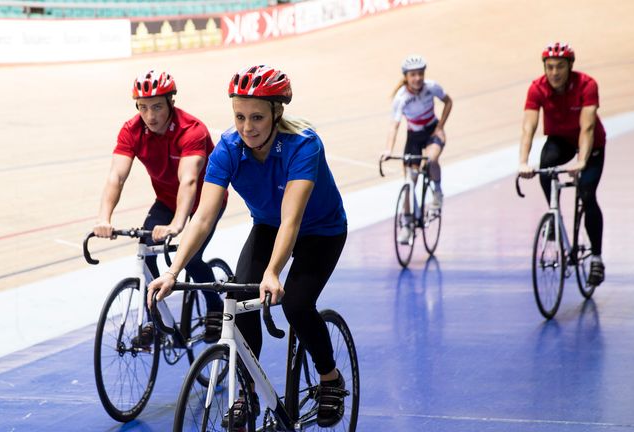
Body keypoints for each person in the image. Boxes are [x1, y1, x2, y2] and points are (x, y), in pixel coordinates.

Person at [148, 65, 348, 427]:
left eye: (257, 117)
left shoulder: (304, 145)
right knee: (240, 303)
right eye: (239, 116)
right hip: (269, 227)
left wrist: (272, 273)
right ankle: (249, 392)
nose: (247, 126)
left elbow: (293, 219)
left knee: (298, 304)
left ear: (277, 112)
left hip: (321, 230)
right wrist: (173, 271)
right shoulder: (227, 148)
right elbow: (203, 218)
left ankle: (329, 377)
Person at [93, 69, 224, 345]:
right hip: (166, 198)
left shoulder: (192, 130)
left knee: (193, 256)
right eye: (143, 107)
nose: (150, 116)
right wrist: (104, 218)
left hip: (205, 199)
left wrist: (178, 225)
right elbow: (116, 176)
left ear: (170, 103)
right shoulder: (132, 130)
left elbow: (188, 181)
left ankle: (215, 306)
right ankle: (156, 322)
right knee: (147, 254)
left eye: (156, 107)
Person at [518, 42, 606, 286]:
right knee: (545, 167)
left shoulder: (587, 85)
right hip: (561, 141)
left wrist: (582, 161)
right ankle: (554, 217)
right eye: (549, 67)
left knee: (587, 195)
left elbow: (587, 127)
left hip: (591, 144)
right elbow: (528, 127)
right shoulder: (537, 88)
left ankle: (597, 259)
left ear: (570, 66)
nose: (554, 72)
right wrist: (523, 162)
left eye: (560, 67)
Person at [381, 54, 453, 244]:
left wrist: (440, 126)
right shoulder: (401, 98)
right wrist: (388, 150)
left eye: (420, 74)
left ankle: (437, 192)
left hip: (432, 132)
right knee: (409, 182)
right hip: (413, 137)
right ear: (406, 77)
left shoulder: (432, 87)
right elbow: (394, 126)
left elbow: (448, 102)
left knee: (431, 159)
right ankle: (407, 223)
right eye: (413, 74)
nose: (418, 78)